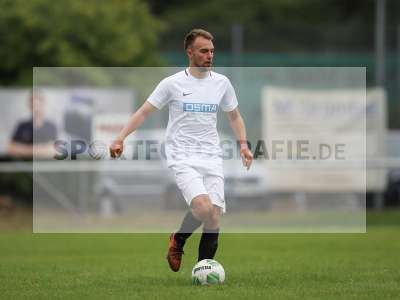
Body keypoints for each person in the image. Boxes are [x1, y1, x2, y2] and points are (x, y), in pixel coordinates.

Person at [109, 28, 253, 272]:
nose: (210, 55)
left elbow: (235, 116)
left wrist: (243, 145)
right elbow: (144, 111)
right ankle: (179, 239)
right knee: (203, 208)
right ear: (190, 52)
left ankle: (203, 270)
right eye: (204, 51)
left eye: (212, 51)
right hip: (182, 155)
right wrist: (120, 137)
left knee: (214, 216)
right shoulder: (172, 83)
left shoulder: (222, 83)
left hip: (211, 156)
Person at [8, 90, 57, 159]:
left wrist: (23, 149)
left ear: (43, 104)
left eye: (37, 104)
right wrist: (40, 149)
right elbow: (12, 148)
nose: (35, 108)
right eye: (32, 105)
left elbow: (53, 150)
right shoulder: (22, 126)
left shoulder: (51, 126)